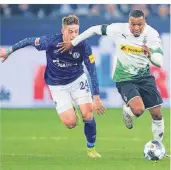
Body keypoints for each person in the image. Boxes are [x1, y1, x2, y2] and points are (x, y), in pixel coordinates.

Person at [0, 15, 106, 158]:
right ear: (63, 31)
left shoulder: (83, 45)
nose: (74, 35)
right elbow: (29, 41)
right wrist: (8, 51)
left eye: (76, 31)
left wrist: (96, 97)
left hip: (77, 81)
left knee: (88, 114)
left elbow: (92, 70)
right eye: (70, 31)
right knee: (70, 123)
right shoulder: (50, 42)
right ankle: (73, 110)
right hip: (57, 85)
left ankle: (91, 149)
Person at [57, 10, 165, 143]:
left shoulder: (152, 35)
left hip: (144, 77)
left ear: (145, 23)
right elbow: (93, 30)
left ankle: (158, 146)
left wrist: (150, 55)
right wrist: (73, 43)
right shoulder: (118, 29)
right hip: (124, 78)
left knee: (157, 114)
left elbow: (159, 62)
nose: (136, 28)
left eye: (140, 25)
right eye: (133, 24)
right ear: (128, 22)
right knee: (138, 110)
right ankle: (129, 109)